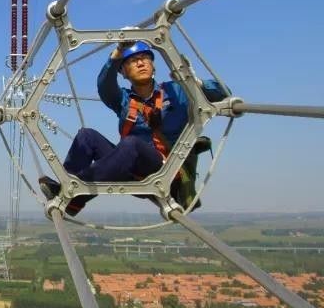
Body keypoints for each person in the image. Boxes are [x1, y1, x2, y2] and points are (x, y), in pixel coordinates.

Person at [39, 40, 227, 216]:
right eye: (132, 61)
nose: (140, 63)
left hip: (168, 172)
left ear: (153, 66)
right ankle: (70, 197)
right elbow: (105, 86)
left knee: (132, 144)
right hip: (131, 169)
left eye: (145, 58)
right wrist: (117, 53)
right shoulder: (123, 100)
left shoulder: (177, 91)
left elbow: (223, 94)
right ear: (123, 72)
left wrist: (195, 83)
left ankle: (70, 193)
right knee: (86, 136)